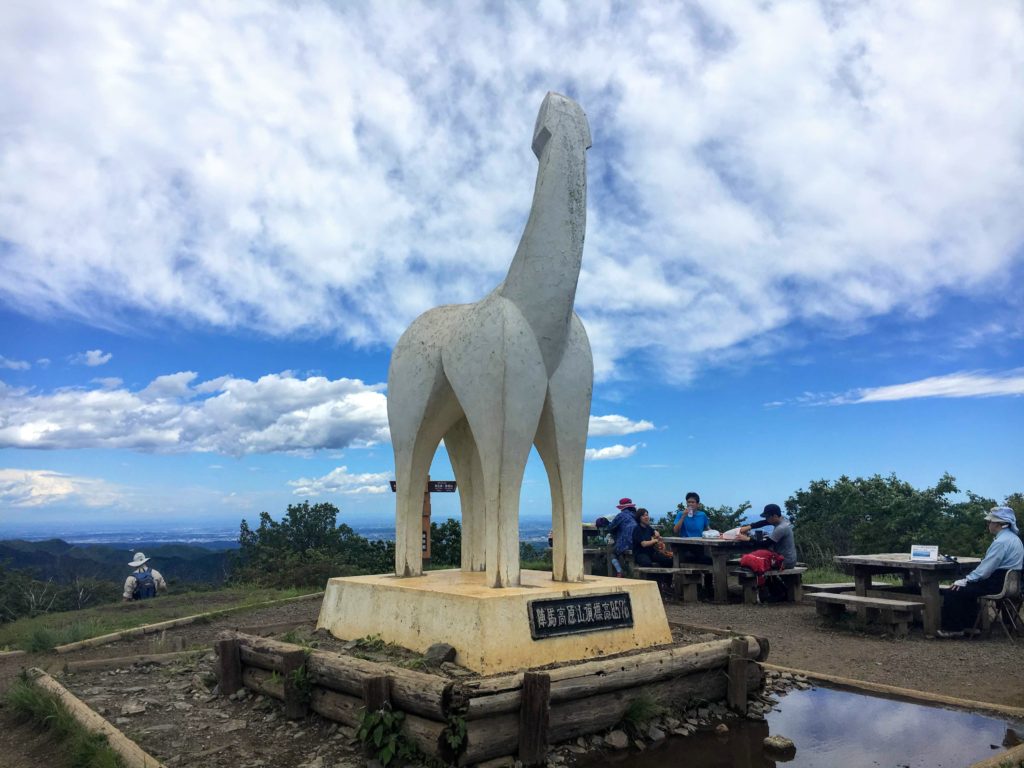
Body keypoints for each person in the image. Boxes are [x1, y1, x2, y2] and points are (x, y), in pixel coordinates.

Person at [938, 507, 1023, 638]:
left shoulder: (1001, 542)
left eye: (990, 522)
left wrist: (966, 580)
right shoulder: (1014, 539)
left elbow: (986, 569)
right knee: (969, 590)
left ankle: (953, 628)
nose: (988, 524)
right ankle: (971, 626)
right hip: (1010, 583)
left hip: (997, 583)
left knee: (954, 591)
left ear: (999, 524)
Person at [738, 503, 797, 569]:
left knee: (752, 562)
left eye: (767, 517)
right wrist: (749, 527)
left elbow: (765, 545)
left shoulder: (781, 528)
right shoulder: (782, 519)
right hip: (789, 559)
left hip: (785, 562)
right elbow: (763, 522)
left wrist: (748, 539)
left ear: (774, 516)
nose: (766, 519)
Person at [607, 497, 639, 576]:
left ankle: (619, 571)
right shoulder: (636, 515)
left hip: (627, 543)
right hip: (638, 543)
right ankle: (627, 571)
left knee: (612, 552)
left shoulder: (621, 515)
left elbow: (610, 528)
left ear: (621, 507)